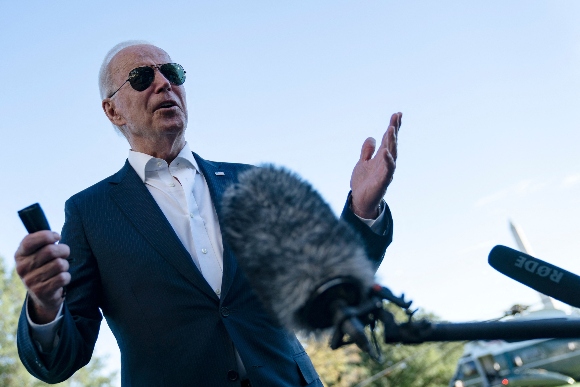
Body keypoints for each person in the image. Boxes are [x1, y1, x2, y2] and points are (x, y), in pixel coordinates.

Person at [14, 41, 402, 386]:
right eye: (141, 77)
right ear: (113, 110)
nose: (164, 83)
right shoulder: (89, 212)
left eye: (172, 72)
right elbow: (59, 361)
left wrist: (363, 208)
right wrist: (46, 305)